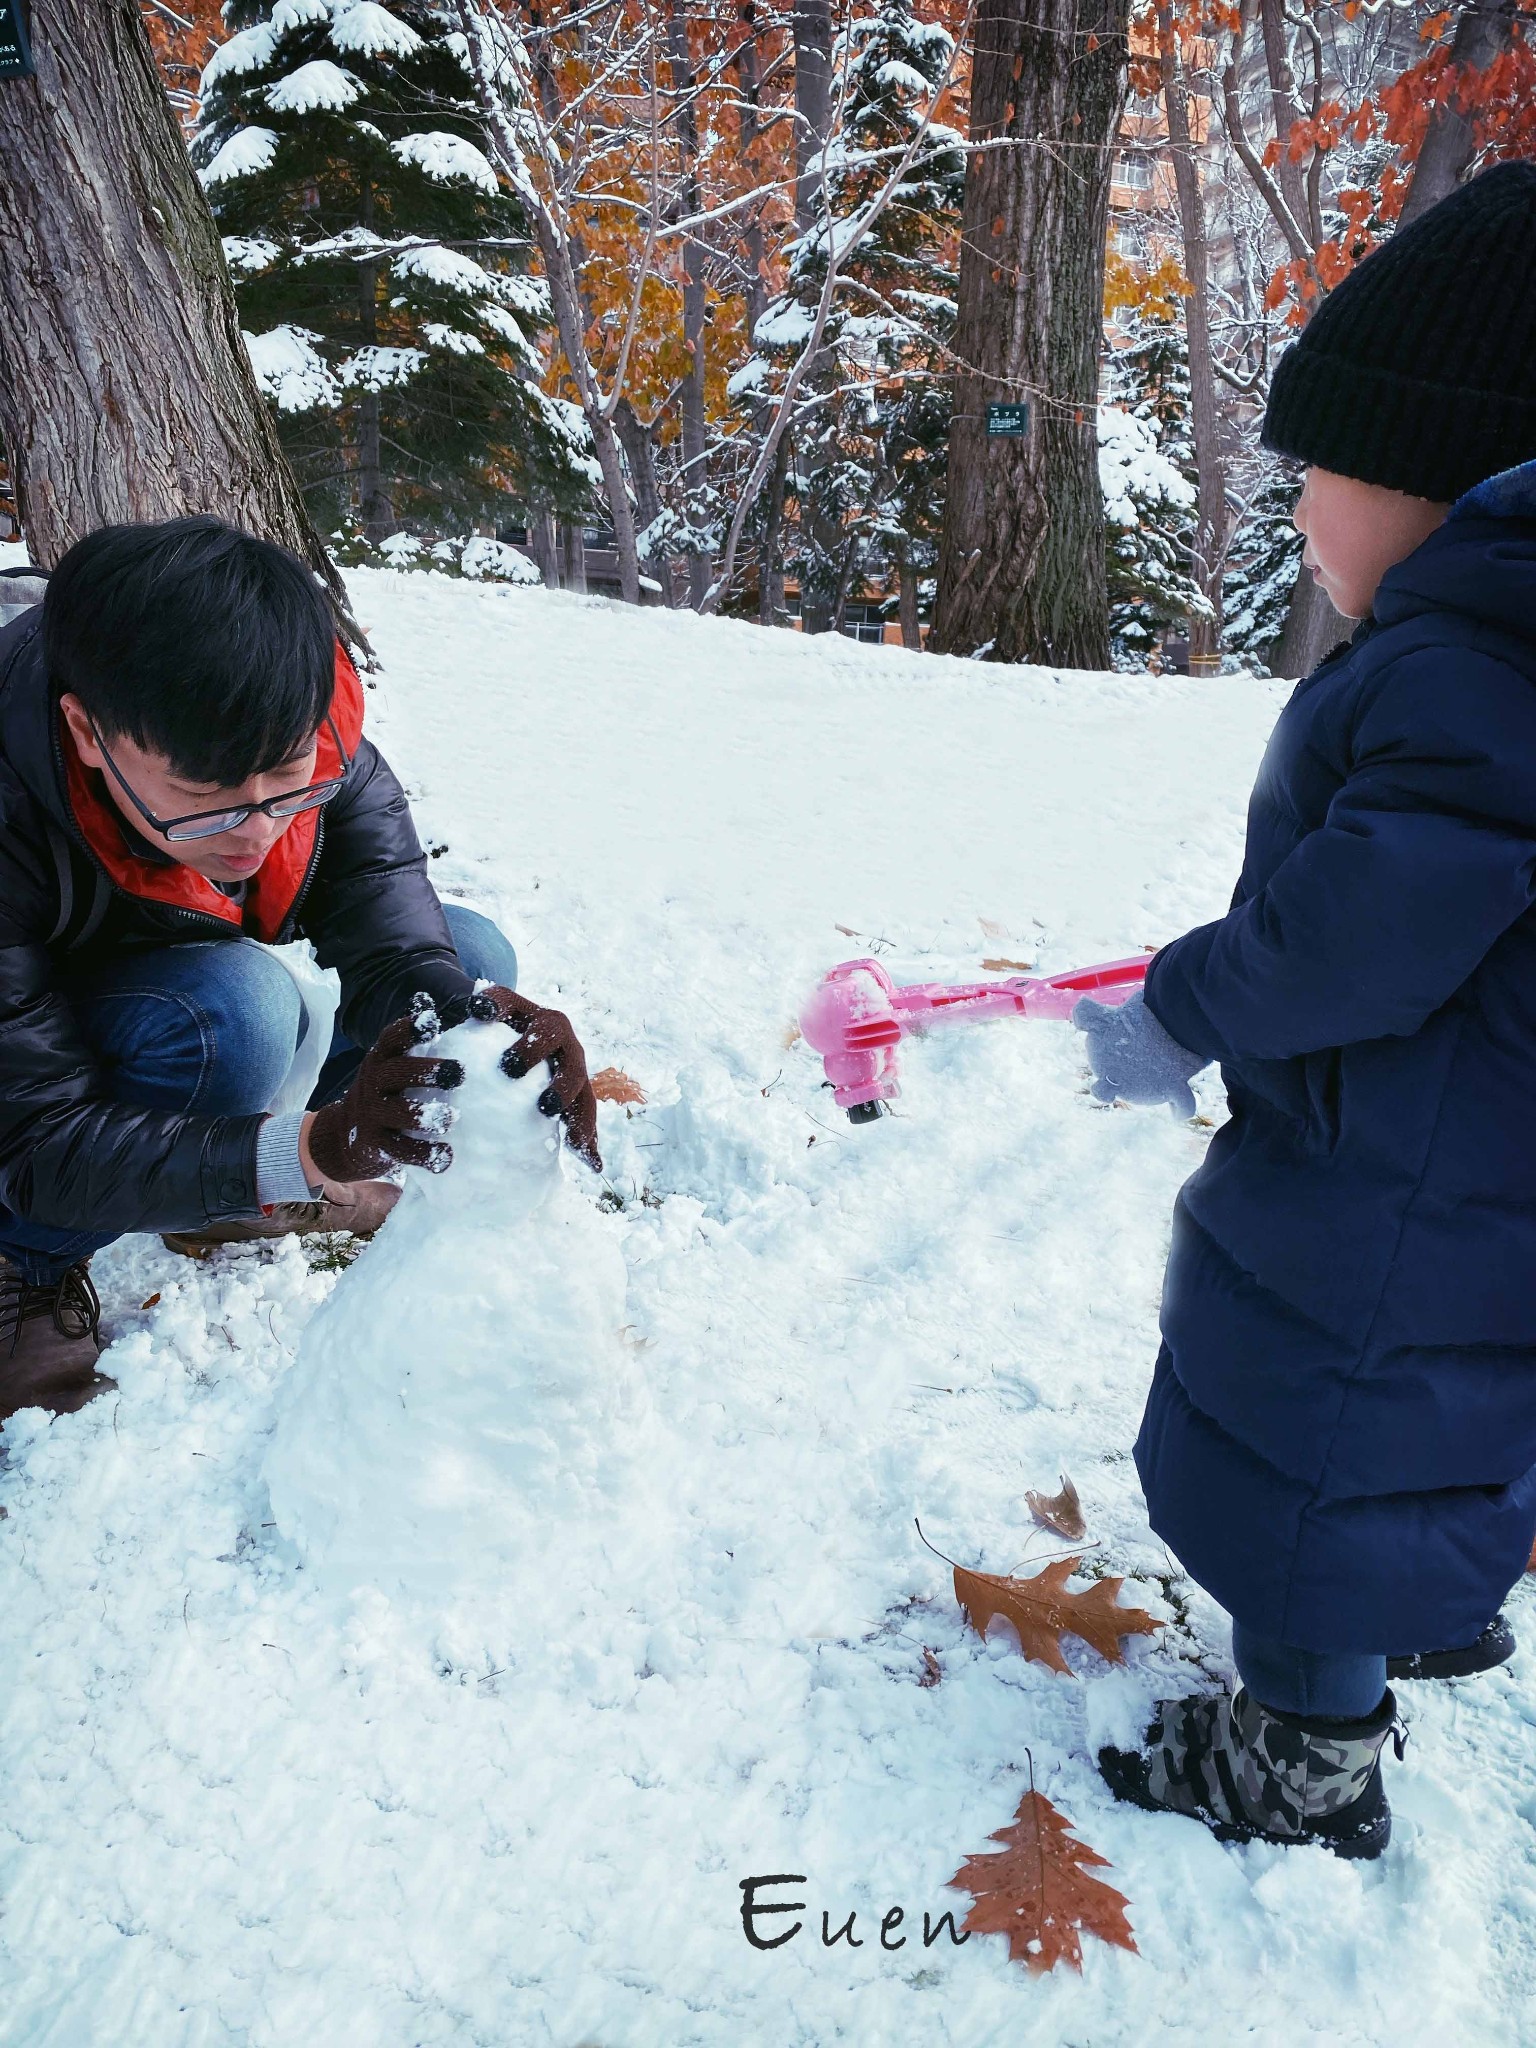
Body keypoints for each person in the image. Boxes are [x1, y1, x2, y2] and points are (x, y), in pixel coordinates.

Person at [1075, 161, 1536, 1859]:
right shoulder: (1493, 653)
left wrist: (1180, 1002)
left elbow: (1353, 933)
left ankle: (1300, 1756)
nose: (1299, 518)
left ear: (1447, 478)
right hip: (1482, 1163)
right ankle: (1436, 1596)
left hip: (1393, 1177)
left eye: (1314, 480)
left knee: (1306, 1454)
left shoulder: (1470, 672)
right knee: (1458, 1403)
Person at [0, 518, 600, 1424]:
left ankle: (218, 1184)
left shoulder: (318, 735)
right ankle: (26, 1260)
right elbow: (35, 1140)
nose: (257, 829)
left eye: (289, 781)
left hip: (162, 973)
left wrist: (475, 1047)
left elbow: (395, 933)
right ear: (87, 733)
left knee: (473, 958)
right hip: (34, 1063)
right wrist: (312, 1146)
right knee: (233, 1018)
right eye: (205, 803)